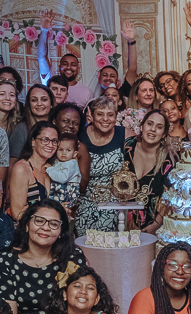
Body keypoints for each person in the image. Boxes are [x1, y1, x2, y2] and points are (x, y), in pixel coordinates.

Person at [77, 98, 127, 233]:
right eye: (100, 114)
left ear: (116, 117)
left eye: (110, 115)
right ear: (91, 115)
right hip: (85, 204)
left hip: (116, 206)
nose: (105, 119)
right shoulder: (80, 136)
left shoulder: (124, 134)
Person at [122, 110, 173, 233]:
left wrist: (155, 225)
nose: (153, 129)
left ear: (164, 134)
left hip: (151, 229)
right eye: (149, 124)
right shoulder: (127, 147)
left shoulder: (168, 160)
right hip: (119, 222)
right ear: (142, 126)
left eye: (159, 127)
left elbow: (171, 196)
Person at [36, 10, 92, 106]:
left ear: (78, 69)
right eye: (65, 64)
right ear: (59, 67)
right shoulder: (50, 80)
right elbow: (42, 57)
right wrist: (44, 31)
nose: (69, 67)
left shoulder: (86, 93)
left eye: (73, 64)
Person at [8, 121, 56, 220]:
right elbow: (17, 214)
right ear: (33, 142)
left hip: (48, 225)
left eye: (54, 141)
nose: (50, 145)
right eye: (45, 140)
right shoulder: (22, 169)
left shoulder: (53, 169)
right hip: (24, 227)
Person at [9, 85, 53, 165]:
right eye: (34, 100)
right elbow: (12, 163)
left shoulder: (58, 127)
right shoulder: (21, 129)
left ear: (51, 104)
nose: (39, 103)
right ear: (29, 105)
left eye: (44, 99)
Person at [47, 132, 83, 217]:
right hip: (59, 191)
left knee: (63, 214)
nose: (64, 153)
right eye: (60, 149)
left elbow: (63, 178)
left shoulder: (72, 163)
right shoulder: (57, 161)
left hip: (67, 192)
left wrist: (49, 169)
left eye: (68, 150)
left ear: (74, 153)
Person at [0, 70, 22, 135]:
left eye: (12, 95)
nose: (7, 98)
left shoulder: (18, 126)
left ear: (16, 100)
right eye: (2, 94)